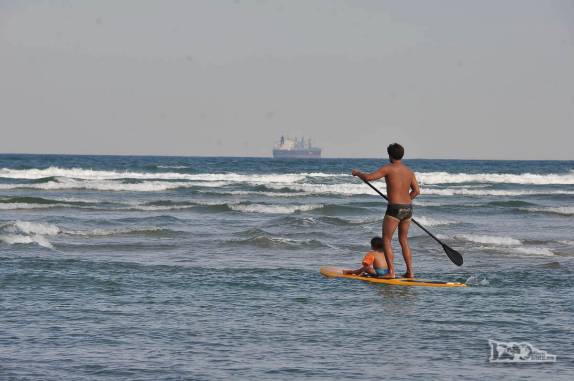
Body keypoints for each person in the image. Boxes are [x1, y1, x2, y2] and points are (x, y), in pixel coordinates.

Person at [351, 143, 420, 278]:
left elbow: (369, 177)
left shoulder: (388, 168)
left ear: (389, 155)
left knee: (387, 240)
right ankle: (410, 272)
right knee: (403, 240)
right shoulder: (409, 171)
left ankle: (391, 272)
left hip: (394, 208)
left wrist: (358, 173)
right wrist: (406, 200)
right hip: (408, 209)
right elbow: (417, 191)